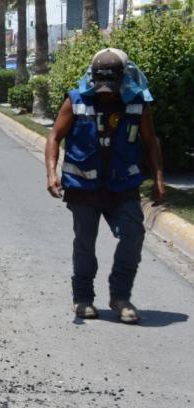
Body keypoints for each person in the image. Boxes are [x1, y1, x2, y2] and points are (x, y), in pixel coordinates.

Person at [45, 48, 166, 324]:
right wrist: (51, 174)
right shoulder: (75, 100)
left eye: (111, 86)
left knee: (133, 235)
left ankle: (120, 296)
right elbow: (54, 137)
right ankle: (83, 298)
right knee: (85, 243)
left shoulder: (137, 103)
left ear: (123, 78)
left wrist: (159, 178)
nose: (106, 92)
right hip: (83, 189)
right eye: (101, 85)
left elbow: (150, 142)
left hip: (122, 186)